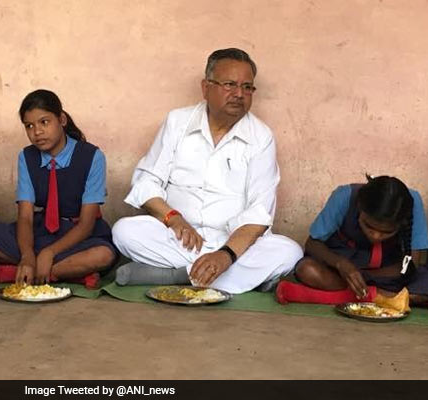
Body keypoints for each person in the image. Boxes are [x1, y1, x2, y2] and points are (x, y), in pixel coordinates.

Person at [112, 48, 302, 294]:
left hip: (234, 245)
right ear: (206, 87)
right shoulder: (177, 122)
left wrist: (226, 255)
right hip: (181, 240)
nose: (239, 94)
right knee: (125, 231)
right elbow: (147, 181)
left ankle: (177, 277)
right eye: (230, 84)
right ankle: (234, 281)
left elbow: (260, 211)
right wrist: (173, 218)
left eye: (247, 87)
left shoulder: (261, 137)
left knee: (289, 252)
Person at [0, 89, 118, 289]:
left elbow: (86, 224)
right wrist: (27, 254)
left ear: (61, 120)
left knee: (103, 255)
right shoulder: (26, 157)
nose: (37, 132)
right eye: (29, 126)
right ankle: (63, 272)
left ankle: (8, 273)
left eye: (44, 122)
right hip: (40, 230)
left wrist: (48, 253)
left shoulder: (92, 157)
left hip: (79, 234)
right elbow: (25, 217)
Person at [276, 175, 428, 306]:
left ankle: (356, 295)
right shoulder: (345, 196)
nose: (375, 236)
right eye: (368, 226)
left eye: (386, 232)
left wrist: (370, 276)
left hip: (388, 277)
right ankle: (381, 297)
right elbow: (312, 243)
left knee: (421, 290)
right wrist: (341, 265)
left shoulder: (412, 202)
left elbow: (413, 263)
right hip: (341, 274)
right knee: (307, 269)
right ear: (360, 207)